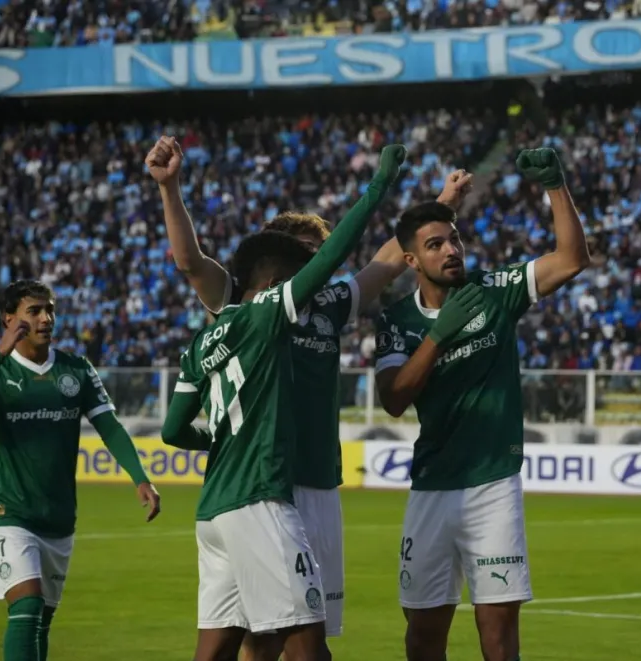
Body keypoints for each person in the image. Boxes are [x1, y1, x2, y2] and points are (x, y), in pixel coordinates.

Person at [145, 135, 471, 660]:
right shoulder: (245, 304)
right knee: (276, 637)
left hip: (317, 481)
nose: (320, 269)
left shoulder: (330, 305)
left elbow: (389, 263)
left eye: (321, 258)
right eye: (308, 260)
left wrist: (443, 203)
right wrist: (170, 189)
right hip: (265, 482)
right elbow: (190, 260)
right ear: (278, 266)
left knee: (283, 628)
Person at [373, 148, 591, 661]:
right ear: (411, 260)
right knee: (424, 638)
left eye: (454, 239)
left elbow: (572, 259)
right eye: (435, 245)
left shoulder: (494, 290)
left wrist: (555, 185)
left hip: (494, 484)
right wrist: (439, 337)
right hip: (430, 487)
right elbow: (394, 400)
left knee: (498, 638)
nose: (452, 250)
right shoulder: (397, 320)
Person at [0, 279, 161, 661]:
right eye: (35, 311)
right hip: (6, 509)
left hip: (58, 515)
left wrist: (140, 477)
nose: (47, 318)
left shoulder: (75, 369)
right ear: (10, 319)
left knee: (42, 619)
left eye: (50, 310)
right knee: (26, 609)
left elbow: (109, 426)